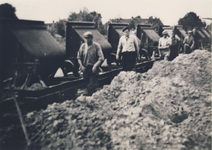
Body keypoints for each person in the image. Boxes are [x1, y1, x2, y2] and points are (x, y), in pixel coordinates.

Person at [77, 31, 104, 95]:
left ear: (91, 38)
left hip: (93, 68)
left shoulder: (96, 46)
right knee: (85, 84)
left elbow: (101, 58)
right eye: (85, 38)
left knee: (92, 86)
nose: (86, 40)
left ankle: (91, 99)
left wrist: (95, 66)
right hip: (85, 68)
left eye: (88, 38)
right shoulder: (83, 46)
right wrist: (81, 66)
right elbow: (79, 58)